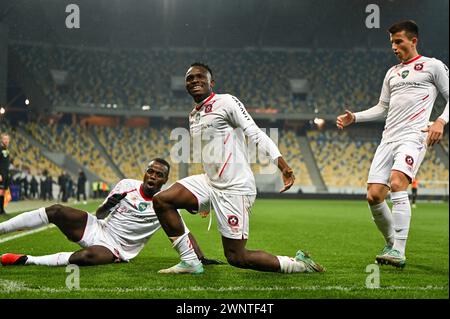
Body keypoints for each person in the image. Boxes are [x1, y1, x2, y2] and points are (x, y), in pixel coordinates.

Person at [153, 63, 324, 275]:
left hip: (235, 188)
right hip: (210, 182)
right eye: (190, 78)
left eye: (200, 77)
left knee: (237, 257)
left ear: (211, 82)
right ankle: (190, 262)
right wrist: (205, 200)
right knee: (162, 200)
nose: (194, 80)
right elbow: (208, 153)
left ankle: (298, 265)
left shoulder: (226, 101)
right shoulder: (193, 115)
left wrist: (283, 165)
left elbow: (255, 133)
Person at [336, 20, 448, 268]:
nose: (394, 47)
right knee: (374, 196)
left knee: (397, 183)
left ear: (413, 40)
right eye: (392, 43)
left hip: (414, 135)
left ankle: (399, 250)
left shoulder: (433, 66)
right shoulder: (392, 73)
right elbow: (382, 108)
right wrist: (356, 117)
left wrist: (440, 121)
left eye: (399, 42)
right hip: (388, 138)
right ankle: (390, 243)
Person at [0, 159, 222, 267]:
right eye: (150, 171)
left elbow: (184, 233)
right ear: (145, 173)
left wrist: (201, 258)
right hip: (98, 228)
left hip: (116, 248)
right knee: (56, 210)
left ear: (165, 180)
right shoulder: (126, 184)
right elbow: (100, 213)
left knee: (85, 258)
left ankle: (26, 260)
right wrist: (109, 204)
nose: (152, 176)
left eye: (158, 175)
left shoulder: (164, 204)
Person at [0, 133, 11, 215]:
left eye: (7, 139)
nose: (6, 140)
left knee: (3, 192)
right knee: (0, 192)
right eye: (5, 139)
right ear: (1, 140)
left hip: (6, 174)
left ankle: (2, 209)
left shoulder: (7, 150)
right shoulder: (0, 148)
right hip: (1, 174)